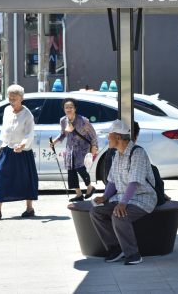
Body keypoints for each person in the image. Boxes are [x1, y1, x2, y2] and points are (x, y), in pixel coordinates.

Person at [90, 120, 156, 265]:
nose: (108, 139)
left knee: (119, 216)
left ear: (118, 138)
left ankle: (134, 254)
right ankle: (116, 247)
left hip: (142, 198)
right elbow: (112, 180)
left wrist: (122, 203)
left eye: (110, 136)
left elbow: (134, 181)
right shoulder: (116, 155)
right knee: (96, 212)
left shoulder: (137, 152)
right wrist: (105, 197)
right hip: (122, 197)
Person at [0, 84, 38, 219]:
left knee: (25, 179)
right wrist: (3, 143)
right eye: (10, 98)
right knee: (0, 174)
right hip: (8, 149)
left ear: (21, 98)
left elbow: (29, 133)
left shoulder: (27, 115)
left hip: (23, 151)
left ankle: (29, 208)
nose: (11, 101)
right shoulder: (7, 110)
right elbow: (5, 129)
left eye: (14, 99)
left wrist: (22, 145)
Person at [49, 98, 98, 202]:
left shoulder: (83, 120)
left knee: (80, 169)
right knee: (71, 171)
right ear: (64, 109)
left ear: (75, 108)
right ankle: (78, 194)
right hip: (70, 149)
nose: (69, 109)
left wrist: (94, 147)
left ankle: (90, 187)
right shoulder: (63, 120)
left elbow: (92, 135)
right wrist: (54, 142)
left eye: (71, 107)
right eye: (66, 107)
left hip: (82, 148)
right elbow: (63, 134)